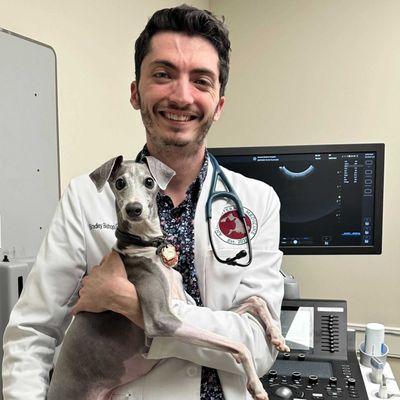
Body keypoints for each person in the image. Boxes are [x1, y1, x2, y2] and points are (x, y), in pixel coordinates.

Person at [2, 5, 284, 399]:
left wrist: (137, 306)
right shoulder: (85, 198)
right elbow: (32, 332)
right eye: (163, 74)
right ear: (136, 92)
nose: (182, 96)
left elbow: (261, 346)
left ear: (218, 104)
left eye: (201, 81)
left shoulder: (259, 202)